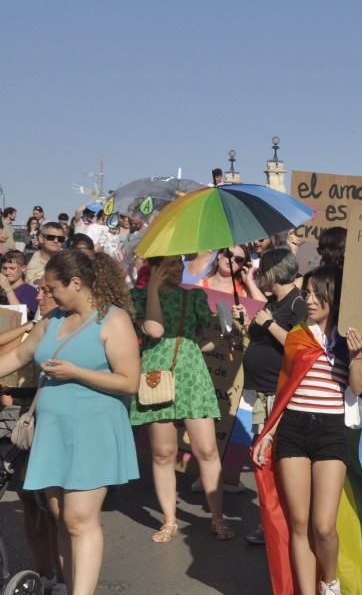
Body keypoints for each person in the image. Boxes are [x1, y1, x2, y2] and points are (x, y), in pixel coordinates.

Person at [0, 249, 141, 595]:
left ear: (76, 283)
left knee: (79, 519)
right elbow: (19, 354)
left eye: (51, 288)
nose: (44, 294)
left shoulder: (113, 319)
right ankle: (67, 586)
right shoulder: (53, 320)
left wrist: (77, 372)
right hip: (54, 433)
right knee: (59, 516)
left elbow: (129, 381)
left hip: (94, 431)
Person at [251, 266, 362, 595]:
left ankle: (329, 584)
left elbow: (357, 388)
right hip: (293, 429)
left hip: (331, 430)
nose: (310, 299)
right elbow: (285, 387)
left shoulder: (349, 336)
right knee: (299, 523)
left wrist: (357, 355)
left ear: (334, 295)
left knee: (324, 526)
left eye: (317, 293)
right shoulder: (298, 335)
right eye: (306, 293)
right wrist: (269, 433)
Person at [130, 255, 236, 542]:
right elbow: (154, 330)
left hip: (192, 377)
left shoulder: (196, 297)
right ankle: (169, 520)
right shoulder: (137, 297)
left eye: (180, 263)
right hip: (156, 376)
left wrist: (228, 337)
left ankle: (217, 517)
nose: (178, 269)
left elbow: (203, 342)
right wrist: (152, 288)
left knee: (207, 450)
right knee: (163, 453)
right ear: (154, 267)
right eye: (170, 264)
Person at [235, 249, 307, 545]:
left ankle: (283, 526)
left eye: (262, 271)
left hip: (280, 395)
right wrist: (244, 324)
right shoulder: (273, 301)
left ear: (274, 272)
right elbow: (259, 338)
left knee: (274, 462)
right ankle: (271, 524)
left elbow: (303, 347)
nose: (259, 277)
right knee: (263, 462)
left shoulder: (298, 303)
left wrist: (268, 324)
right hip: (260, 393)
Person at [1, 282, 62, 593]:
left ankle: (62, 578)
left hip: (46, 416)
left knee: (52, 504)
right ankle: (45, 573)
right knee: (28, 501)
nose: (40, 295)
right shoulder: (27, 326)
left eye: (47, 290)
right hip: (15, 421)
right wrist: (29, 325)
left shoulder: (66, 328)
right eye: (39, 290)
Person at [194, 245, 266, 300]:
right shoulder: (199, 285)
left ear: (242, 265)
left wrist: (249, 281)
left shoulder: (244, 289)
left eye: (239, 259)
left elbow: (264, 310)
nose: (232, 260)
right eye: (229, 254)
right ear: (219, 255)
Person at [1, 252, 40, 318]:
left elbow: (20, 314)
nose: (7, 272)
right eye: (5, 268)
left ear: (23, 268)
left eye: (12, 268)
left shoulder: (30, 291)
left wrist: (8, 290)